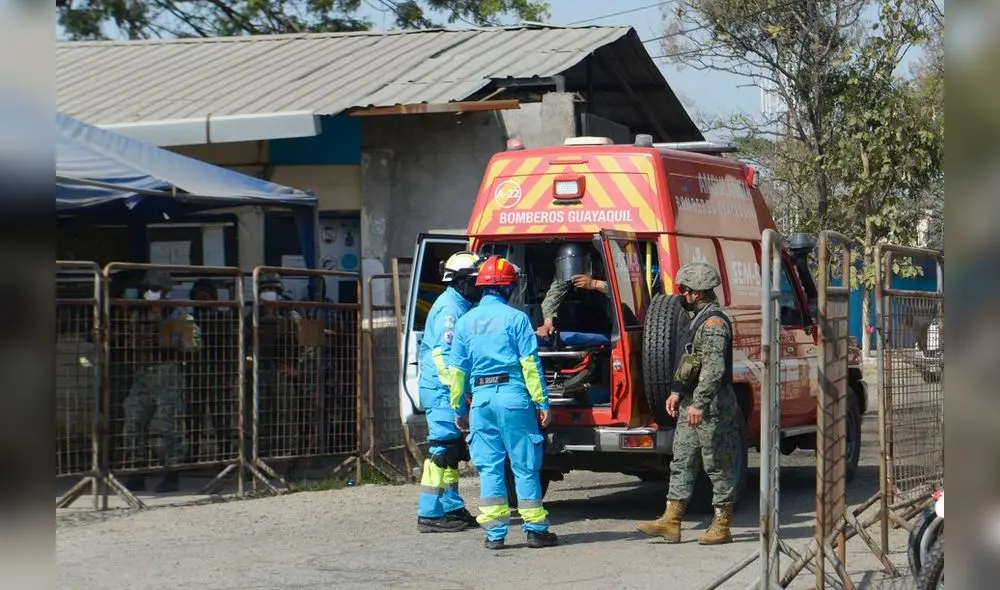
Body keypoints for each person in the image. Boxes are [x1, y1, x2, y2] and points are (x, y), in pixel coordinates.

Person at [449, 255, 558, 550]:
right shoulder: (518, 319)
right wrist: (542, 403)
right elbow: (531, 366)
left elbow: (457, 373)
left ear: (482, 287)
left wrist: (459, 410)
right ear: (509, 288)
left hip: (481, 402)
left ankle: (495, 534)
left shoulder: (464, 323)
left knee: (490, 468)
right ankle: (535, 529)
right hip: (514, 398)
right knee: (524, 466)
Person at [636, 262, 740, 545]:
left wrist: (700, 404)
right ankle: (671, 520)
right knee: (681, 460)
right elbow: (691, 359)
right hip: (692, 402)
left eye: (685, 290)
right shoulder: (697, 318)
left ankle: (722, 524)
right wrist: (677, 392)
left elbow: (713, 369)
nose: (681, 295)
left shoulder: (714, 323)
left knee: (717, 464)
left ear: (697, 293)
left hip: (711, 406)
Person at [416, 251, 484, 533]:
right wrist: (459, 393)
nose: (480, 285)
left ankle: (452, 507)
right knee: (442, 451)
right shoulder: (450, 309)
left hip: (446, 390)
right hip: (442, 391)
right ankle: (429, 513)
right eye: (475, 280)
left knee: (452, 452)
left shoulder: (459, 305)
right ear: (461, 281)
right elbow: (443, 356)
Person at [122, 270, 201, 493]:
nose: (150, 294)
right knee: (133, 423)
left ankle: (172, 473)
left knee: (171, 426)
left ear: (165, 293)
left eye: (155, 290)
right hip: (142, 375)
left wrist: (173, 338)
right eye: (147, 289)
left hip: (169, 374)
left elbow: (194, 344)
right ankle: (138, 471)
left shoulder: (178, 313)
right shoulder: (136, 313)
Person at [535, 242, 610, 338]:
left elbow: (622, 292)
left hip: (612, 317)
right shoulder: (569, 269)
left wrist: (594, 284)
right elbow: (553, 295)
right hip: (586, 319)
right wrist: (547, 323)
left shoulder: (610, 265)